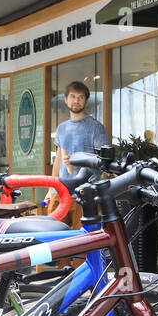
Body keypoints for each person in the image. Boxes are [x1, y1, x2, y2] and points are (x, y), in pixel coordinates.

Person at [46, 81, 108, 219]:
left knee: (83, 239)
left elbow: (101, 162)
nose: (76, 101)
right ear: (66, 99)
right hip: (61, 194)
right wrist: (51, 189)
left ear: (85, 101)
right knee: (55, 235)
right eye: (73, 96)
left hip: (85, 195)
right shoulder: (61, 128)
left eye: (81, 97)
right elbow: (58, 160)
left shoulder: (96, 127)